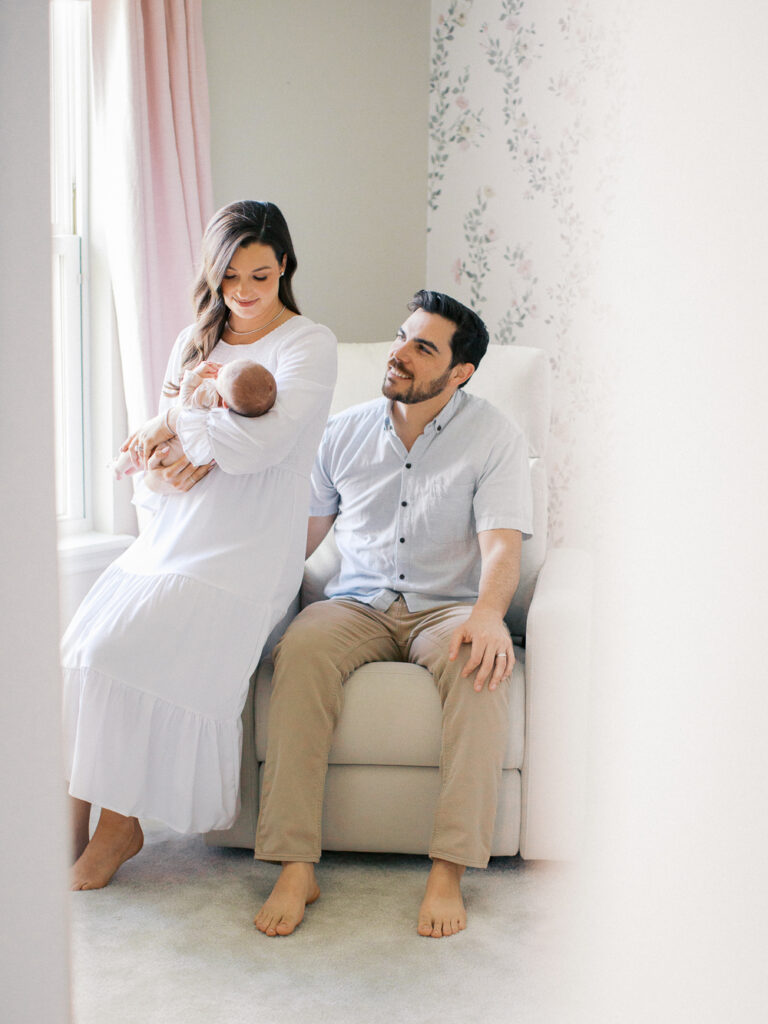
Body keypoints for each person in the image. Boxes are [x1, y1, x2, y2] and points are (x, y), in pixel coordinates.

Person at [63, 200, 336, 891]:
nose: (244, 293)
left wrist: (189, 422)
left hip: (246, 554)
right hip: (174, 537)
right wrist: (169, 459)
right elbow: (167, 464)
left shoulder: (308, 345)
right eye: (231, 278)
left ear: (286, 272)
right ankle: (61, 828)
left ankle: (120, 826)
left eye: (261, 277)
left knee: (118, 651)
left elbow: (258, 450)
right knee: (80, 652)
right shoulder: (195, 341)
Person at [253, 289, 533, 939]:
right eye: (402, 337)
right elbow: (301, 538)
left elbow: (501, 545)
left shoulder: (494, 435)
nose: (399, 354)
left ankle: (448, 869)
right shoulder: (342, 432)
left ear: (460, 371)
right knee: (300, 650)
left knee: (483, 668)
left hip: (448, 609)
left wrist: (490, 615)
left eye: (422, 347)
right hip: (356, 602)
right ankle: (296, 865)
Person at [111, 359, 277, 480]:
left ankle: (118, 468)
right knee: (148, 458)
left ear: (225, 403)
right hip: (187, 456)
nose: (220, 370)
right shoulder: (240, 409)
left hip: (174, 444)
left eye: (222, 373)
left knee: (141, 448)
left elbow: (186, 404)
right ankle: (130, 468)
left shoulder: (212, 395)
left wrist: (194, 376)